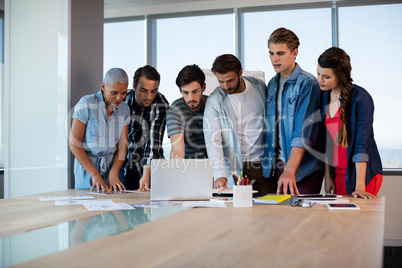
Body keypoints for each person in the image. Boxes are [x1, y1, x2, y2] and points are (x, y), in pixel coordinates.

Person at [262, 27, 324, 195]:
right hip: (280, 167)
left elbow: (304, 133)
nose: (275, 59)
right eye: (271, 53)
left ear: (295, 52)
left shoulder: (308, 83)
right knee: (281, 220)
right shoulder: (272, 85)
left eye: (280, 53)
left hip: (305, 169)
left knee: (302, 219)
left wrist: (290, 170)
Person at [317, 47, 383, 199]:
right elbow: (327, 141)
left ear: (340, 76)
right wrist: (328, 176)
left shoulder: (361, 98)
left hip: (361, 176)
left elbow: (361, 144)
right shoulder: (324, 97)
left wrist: (360, 186)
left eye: (326, 76)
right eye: (318, 73)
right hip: (338, 174)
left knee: (357, 222)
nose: (320, 80)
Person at [204, 54, 271, 192]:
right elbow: (213, 140)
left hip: (264, 166)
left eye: (230, 80)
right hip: (236, 169)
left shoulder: (259, 87)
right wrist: (219, 174)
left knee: (269, 210)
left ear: (240, 72)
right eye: (220, 81)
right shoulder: (215, 101)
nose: (226, 86)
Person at [69, 68, 130, 192]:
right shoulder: (86, 104)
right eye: (114, 93)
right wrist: (95, 174)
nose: (119, 98)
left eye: (123, 93)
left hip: (112, 171)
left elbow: (122, 146)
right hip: (88, 173)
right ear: (103, 86)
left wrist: (114, 172)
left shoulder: (124, 109)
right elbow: (74, 145)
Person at [120, 65, 169, 191]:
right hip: (123, 165)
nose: (149, 97)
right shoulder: (123, 101)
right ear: (134, 86)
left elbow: (153, 142)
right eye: (143, 90)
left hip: (151, 167)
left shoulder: (161, 104)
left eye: (154, 91)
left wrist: (146, 175)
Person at [167, 64, 208, 159]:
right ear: (180, 90)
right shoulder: (176, 110)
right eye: (186, 92)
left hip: (216, 166)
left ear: (203, 88)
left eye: (195, 92)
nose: (191, 98)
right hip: (188, 167)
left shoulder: (213, 105)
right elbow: (177, 151)